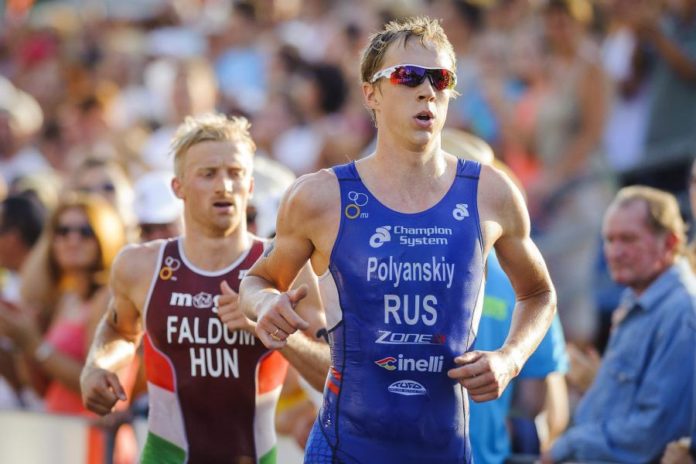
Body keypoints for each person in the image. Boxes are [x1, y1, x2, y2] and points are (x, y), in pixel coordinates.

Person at [239, 16, 556, 463]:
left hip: (445, 450)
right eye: (408, 76)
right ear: (371, 93)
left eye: (441, 79)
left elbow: (539, 293)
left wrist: (510, 358)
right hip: (344, 449)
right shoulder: (320, 196)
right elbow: (255, 281)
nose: (427, 91)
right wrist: (265, 304)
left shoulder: (492, 193)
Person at [80, 113, 329, 463]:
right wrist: (97, 366)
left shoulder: (288, 267)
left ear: (250, 186)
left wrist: (273, 329)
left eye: (235, 173)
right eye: (208, 174)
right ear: (178, 187)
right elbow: (120, 330)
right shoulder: (140, 265)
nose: (224, 186)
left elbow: (331, 374)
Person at [542, 186, 696, 463]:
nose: (615, 252)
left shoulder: (681, 312)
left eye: (628, 239)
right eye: (609, 240)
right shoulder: (637, 296)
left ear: (670, 242)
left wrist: (566, 447)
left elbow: (653, 433)